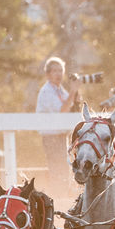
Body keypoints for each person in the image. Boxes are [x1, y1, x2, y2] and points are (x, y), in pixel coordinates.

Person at [36, 56, 80, 186]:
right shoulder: (47, 91)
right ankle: (58, 194)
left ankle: (63, 193)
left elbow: (71, 108)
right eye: (55, 71)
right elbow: (62, 111)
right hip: (51, 137)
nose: (58, 74)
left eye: (60, 70)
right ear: (48, 74)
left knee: (64, 168)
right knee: (57, 169)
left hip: (62, 136)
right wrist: (73, 92)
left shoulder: (60, 90)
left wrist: (76, 97)